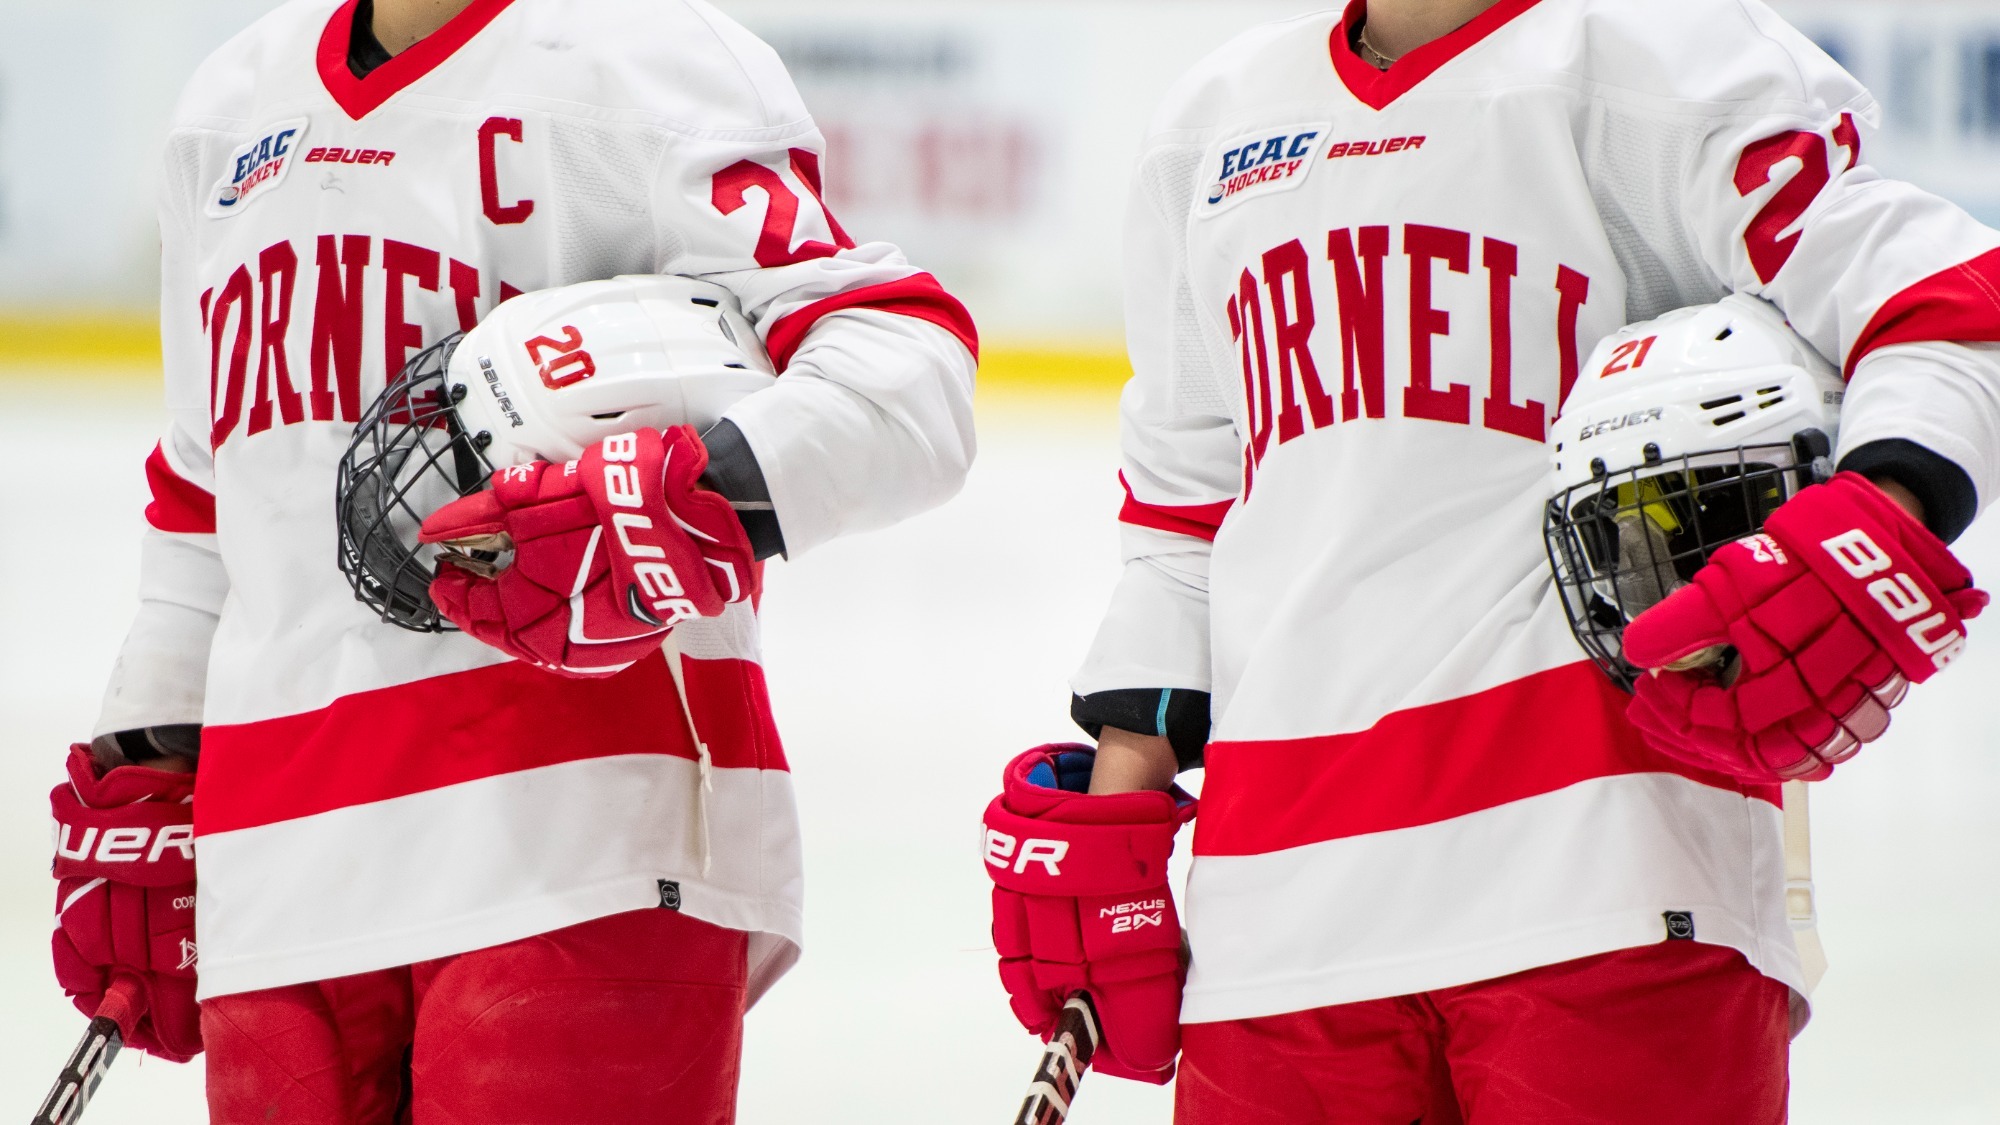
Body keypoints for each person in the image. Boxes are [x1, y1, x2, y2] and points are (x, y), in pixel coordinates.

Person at [980, 0, 2000, 1120]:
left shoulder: (1658, 59)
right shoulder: (1209, 124)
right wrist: (1117, 805)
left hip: (1608, 885)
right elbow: (1184, 513)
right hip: (1273, 925)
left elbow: (1943, 305)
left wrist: (1878, 512)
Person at [50, 0, 977, 1120]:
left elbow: (906, 366)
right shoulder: (227, 105)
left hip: (578, 843)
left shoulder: (646, 62)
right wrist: (149, 753)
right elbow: (209, 488)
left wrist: (702, 494)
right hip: (276, 864)